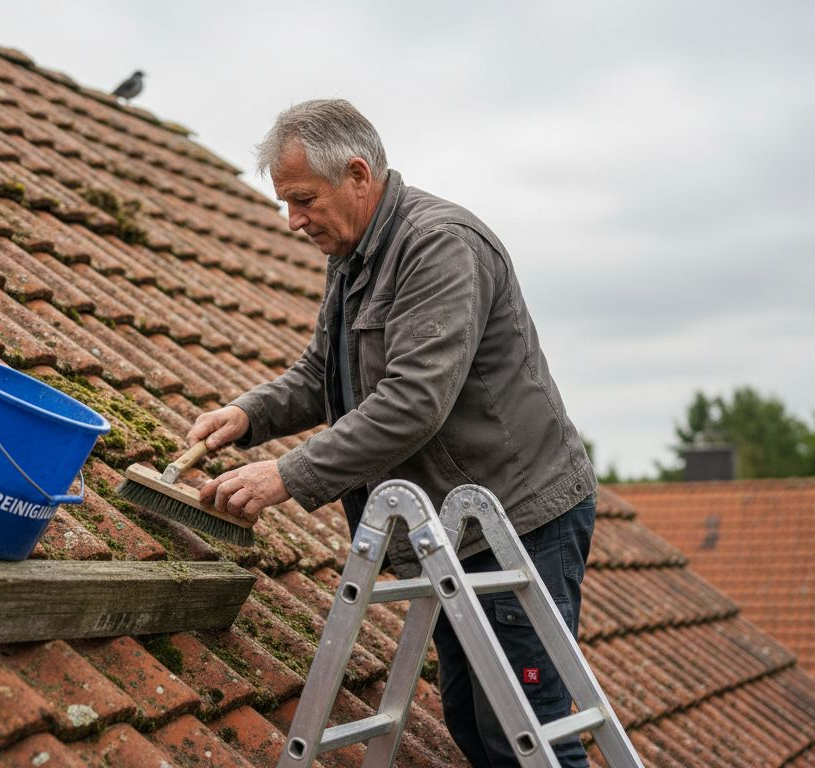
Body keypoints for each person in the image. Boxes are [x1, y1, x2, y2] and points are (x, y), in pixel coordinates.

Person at [188, 99, 596, 768]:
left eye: (303, 200)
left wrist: (287, 475)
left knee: (527, 733)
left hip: (519, 518)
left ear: (357, 174)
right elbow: (323, 373)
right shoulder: (354, 254)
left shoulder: (440, 246)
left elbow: (411, 402)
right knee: (472, 721)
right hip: (461, 524)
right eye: (286, 203)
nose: (293, 221)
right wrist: (250, 414)